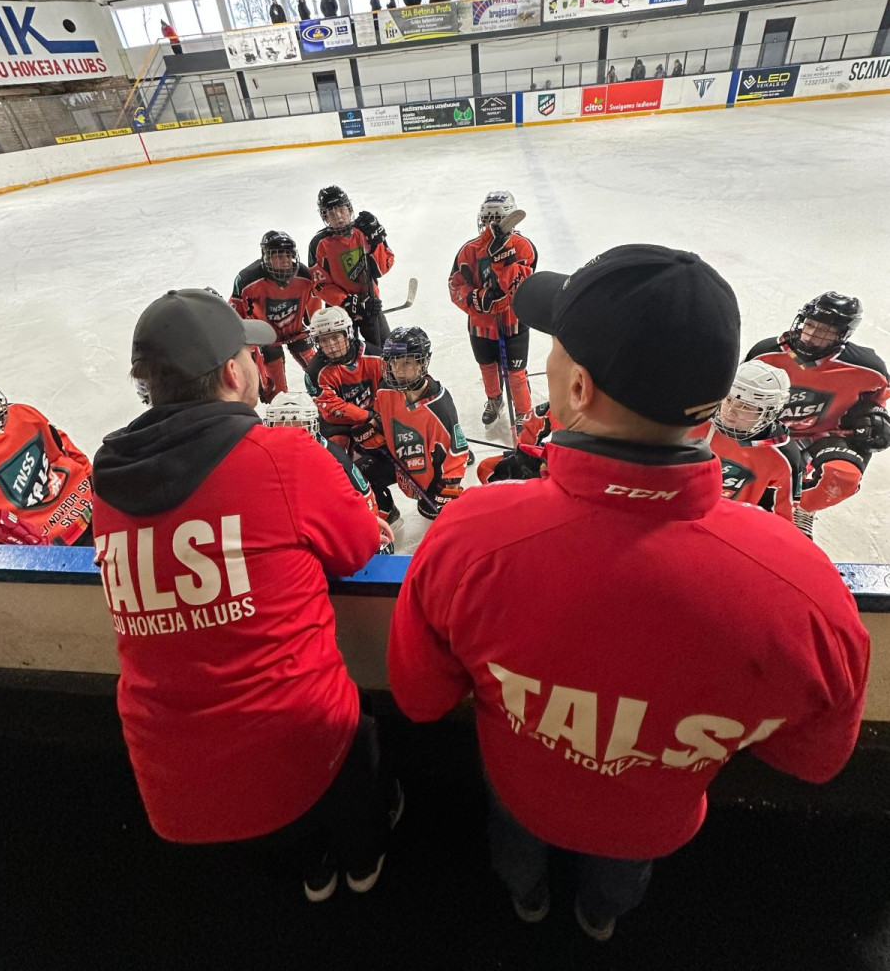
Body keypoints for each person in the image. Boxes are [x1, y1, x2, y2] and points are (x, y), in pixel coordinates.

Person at [388, 244, 869, 945]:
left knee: (517, 856)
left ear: (579, 388)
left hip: (522, 793)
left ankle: (526, 901)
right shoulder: (804, 585)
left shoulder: (471, 535)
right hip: (653, 822)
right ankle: (600, 916)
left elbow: (419, 697)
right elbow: (814, 759)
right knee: (617, 883)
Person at [92, 288, 399, 901]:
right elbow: (359, 546)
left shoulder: (108, 481)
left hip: (170, 777)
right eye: (248, 355)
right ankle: (361, 865)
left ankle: (313, 871)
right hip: (297, 747)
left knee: (282, 826)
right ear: (234, 373)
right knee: (353, 740)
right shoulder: (280, 455)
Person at [747, 293, 889, 535]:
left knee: (842, 476)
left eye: (823, 330)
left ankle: (802, 508)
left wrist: (875, 417)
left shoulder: (867, 368)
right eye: (810, 325)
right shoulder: (766, 354)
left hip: (824, 435)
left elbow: (877, 399)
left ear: (842, 334)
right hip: (768, 432)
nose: (811, 334)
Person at [355, 327, 468, 522]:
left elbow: (457, 451)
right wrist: (374, 427)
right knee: (356, 476)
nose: (398, 370)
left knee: (434, 510)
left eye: (406, 362)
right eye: (394, 362)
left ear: (422, 362)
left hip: (429, 475)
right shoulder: (385, 391)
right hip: (399, 462)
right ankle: (385, 511)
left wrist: (449, 487)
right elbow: (382, 417)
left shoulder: (439, 406)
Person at [449, 190, 537, 427]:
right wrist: (477, 298)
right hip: (480, 324)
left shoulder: (523, 247)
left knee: (516, 374)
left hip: (513, 322)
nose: (490, 225)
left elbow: (521, 288)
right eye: (487, 219)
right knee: (487, 368)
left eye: (496, 219)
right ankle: (494, 399)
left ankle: (524, 413)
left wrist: (503, 260)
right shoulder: (468, 250)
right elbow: (455, 285)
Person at [264, 392, 388, 542]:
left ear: (313, 426)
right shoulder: (261, 454)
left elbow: (366, 499)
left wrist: (369, 536)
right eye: (281, 426)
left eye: (299, 426)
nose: (290, 435)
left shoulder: (334, 457)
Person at [689, 360, 801, 523]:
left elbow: (778, 520)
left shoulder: (784, 456)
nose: (730, 411)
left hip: (727, 526)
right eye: (728, 400)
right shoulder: (695, 422)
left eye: (746, 407)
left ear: (768, 413)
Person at [0, 380, 92, 546]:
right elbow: (66, 450)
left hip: (50, 547)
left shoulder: (22, 415)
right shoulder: (22, 413)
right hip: (87, 506)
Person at [230, 231, 321, 403]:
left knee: (321, 373)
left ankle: (327, 403)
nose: (286, 260)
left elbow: (314, 306)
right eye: (279, 256)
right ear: (266, 257)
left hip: (297, 332)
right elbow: (236, 318)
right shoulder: (247, 280)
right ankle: (279, 407)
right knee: (275, 392)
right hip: (266, 339)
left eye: (288, 255)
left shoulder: (304, 275)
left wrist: (315, 326)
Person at [308, 185, 395, 350]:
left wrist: (376, 243)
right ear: (324, 217)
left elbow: (383, 268)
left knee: (386, 352)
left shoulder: (365, 231)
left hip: (370, 303)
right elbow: (319, 285)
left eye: (341, 209)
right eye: (331, 213)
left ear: (349, 209)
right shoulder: (319, 244)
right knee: (342, 354)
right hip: (339, 310)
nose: (338, 217)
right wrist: (347, 302)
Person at [305, 305, 385, 454]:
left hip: (374, 412)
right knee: (336, 446)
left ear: (348, 334)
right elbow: (332, 409)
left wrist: (380, 417)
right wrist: (370, 417)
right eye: (324, 340)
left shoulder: (375, 356)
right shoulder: (315, 372)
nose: (331, 346)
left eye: (335, 337)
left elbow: (389, 391)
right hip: (340, 422)